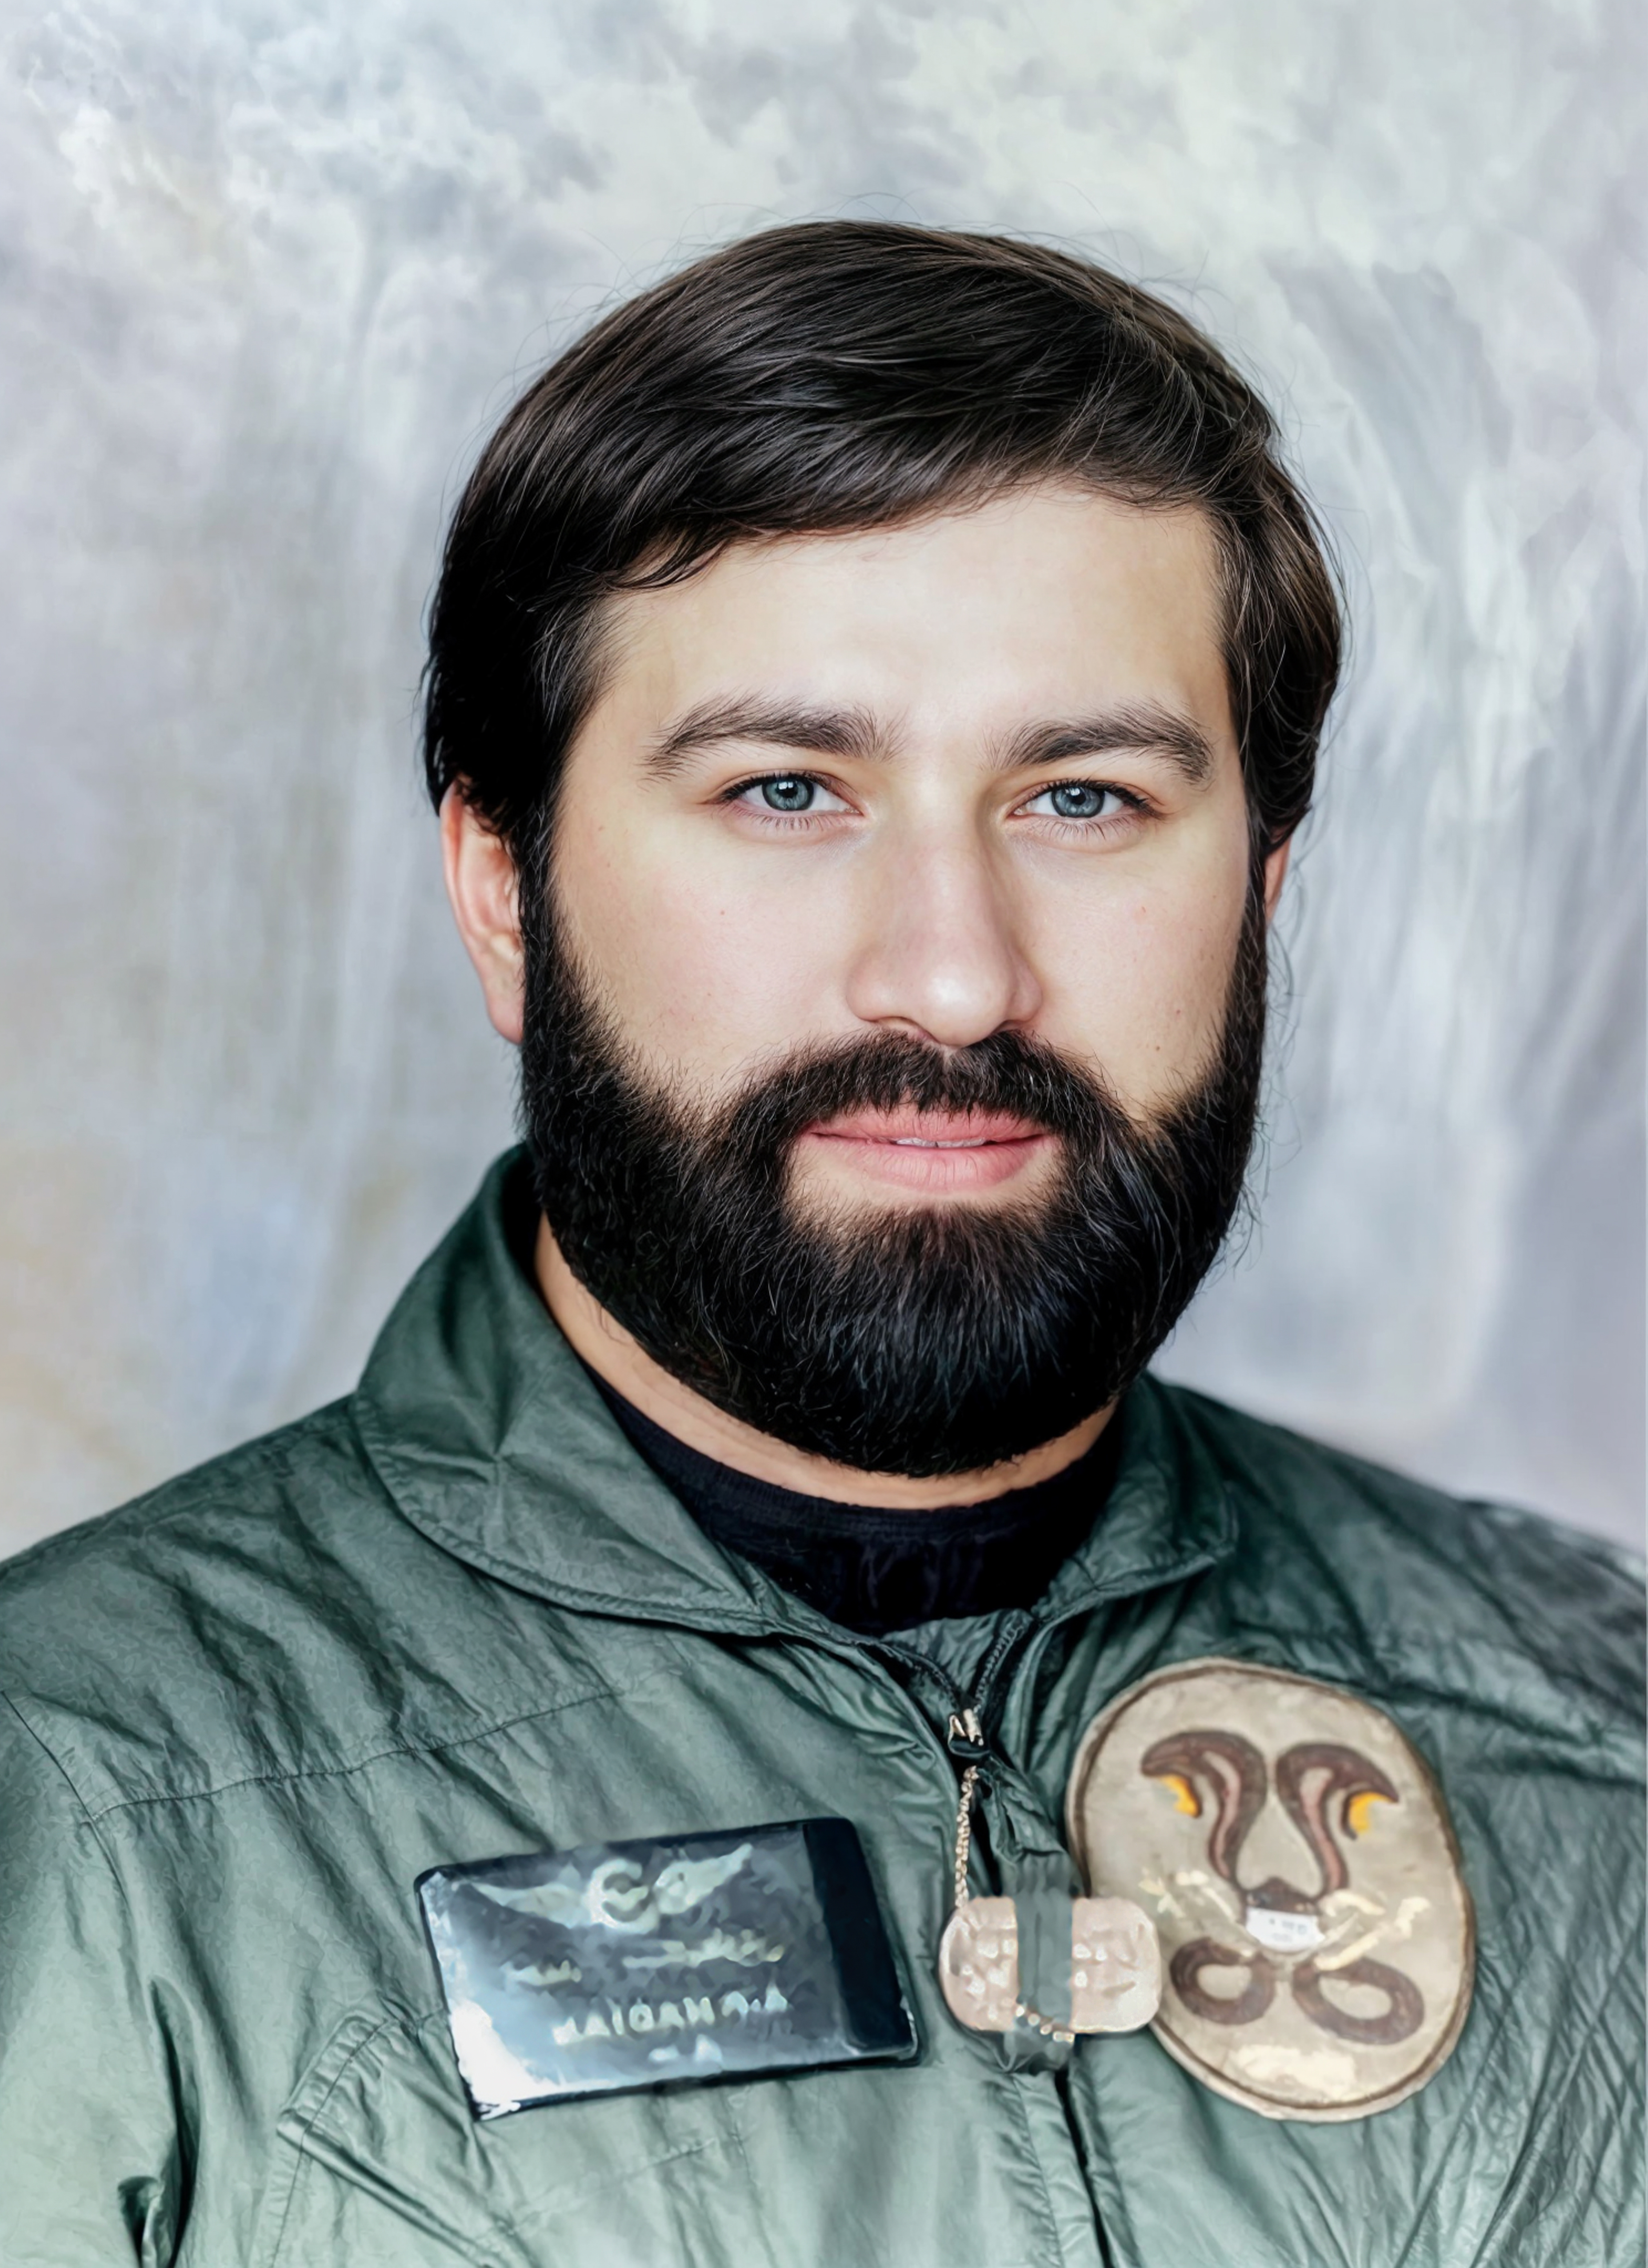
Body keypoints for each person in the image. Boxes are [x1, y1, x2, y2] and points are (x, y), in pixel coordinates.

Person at [0, 222, 1640, 2268]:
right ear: (505, 889)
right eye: (788, 789)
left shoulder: (1598, 1728)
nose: (953, 978)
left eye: (1086, 800)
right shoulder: (79, 1808)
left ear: (1266, 888)